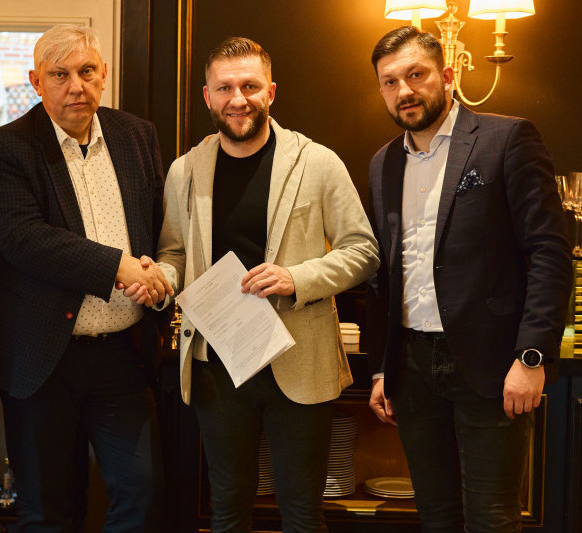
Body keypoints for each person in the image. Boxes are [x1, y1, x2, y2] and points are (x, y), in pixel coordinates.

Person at [144, 37, 379, 532]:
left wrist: (296, 277)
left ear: (270, 91)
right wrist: (159, 279)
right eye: (225, 88)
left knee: (302, 512)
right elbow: (174, 253)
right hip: (217, 364)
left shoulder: (318, 162)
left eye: (250, 86)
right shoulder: (185, 171)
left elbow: (363, 251)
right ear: (207, 96)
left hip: (299, 359)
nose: (238, 99)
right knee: (227, 508)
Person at [0, 24, 170, 532]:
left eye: (86, 71)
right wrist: (116, 266)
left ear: (104, 74)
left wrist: (154, 273)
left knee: (142, 492)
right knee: (48, 508)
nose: (76, 86)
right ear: (36, 81)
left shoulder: (136, 134)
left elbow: (157, 224)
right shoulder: (7, 146)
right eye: (60, 75)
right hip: (40, 356)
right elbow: (23, 238)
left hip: (122, 355)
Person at [366, 26, 572, 532]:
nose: (404, 90)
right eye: (390, 81)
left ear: (448, 75)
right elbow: (384, 275)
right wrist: (382, 368)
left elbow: (549, 252)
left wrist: (532, 356)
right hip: (412, 368)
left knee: (492, 518)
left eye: (416, 75)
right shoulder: (382, 163)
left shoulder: (507, 138)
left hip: (492, 364)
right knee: (435, 515)